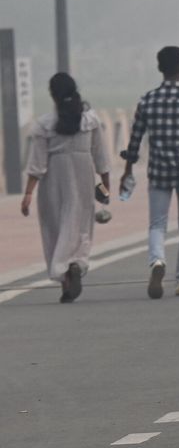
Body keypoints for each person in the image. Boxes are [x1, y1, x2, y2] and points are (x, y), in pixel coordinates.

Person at [122, 46, 179, 298]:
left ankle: (157, 261)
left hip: (159, 171)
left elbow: (135, 141)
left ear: (159, 69)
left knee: (157, 223)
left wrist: (127, 170)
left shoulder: (147, 101)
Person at [20, 73, 110, 303]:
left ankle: (64, 276)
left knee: (55, 227)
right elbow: (101, 156)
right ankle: (76, 264)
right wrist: (106, 185)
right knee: (80, 225)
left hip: (54, 180)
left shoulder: (44, 125)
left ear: (53, 95)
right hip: (83, 176)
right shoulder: (90, 120)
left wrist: (28, 193)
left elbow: (37, 165)